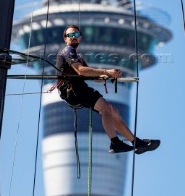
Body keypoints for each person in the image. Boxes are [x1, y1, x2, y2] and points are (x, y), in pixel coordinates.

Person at [56, 25, 160, 154]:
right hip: (73, 90)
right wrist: (107, 71)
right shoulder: (68, 50)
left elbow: (93, 77)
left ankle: (136, 142)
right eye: (70, 35)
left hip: (78, 90)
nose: (73, 37)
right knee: (106, 109)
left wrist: (109, 75)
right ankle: (115, 142)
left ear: (80, 38)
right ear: (65, 38)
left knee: (113, 112)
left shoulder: (78, 56)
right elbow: (81, 71)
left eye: (76, 35)